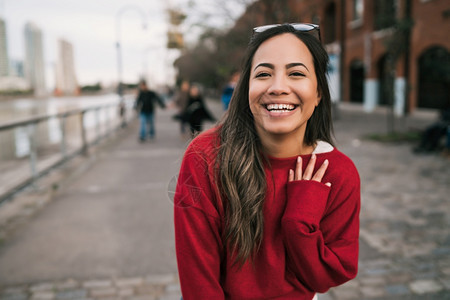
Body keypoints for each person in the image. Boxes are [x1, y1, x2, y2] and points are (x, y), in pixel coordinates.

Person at [174, 24, 361, 299]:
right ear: (246, 88)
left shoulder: (339, 172)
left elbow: (327, 277)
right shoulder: (205, 156)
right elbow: (198, 280)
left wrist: (300, 221)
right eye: (263, 74)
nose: (277, 87)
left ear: (319, 92)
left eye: (296, 73)